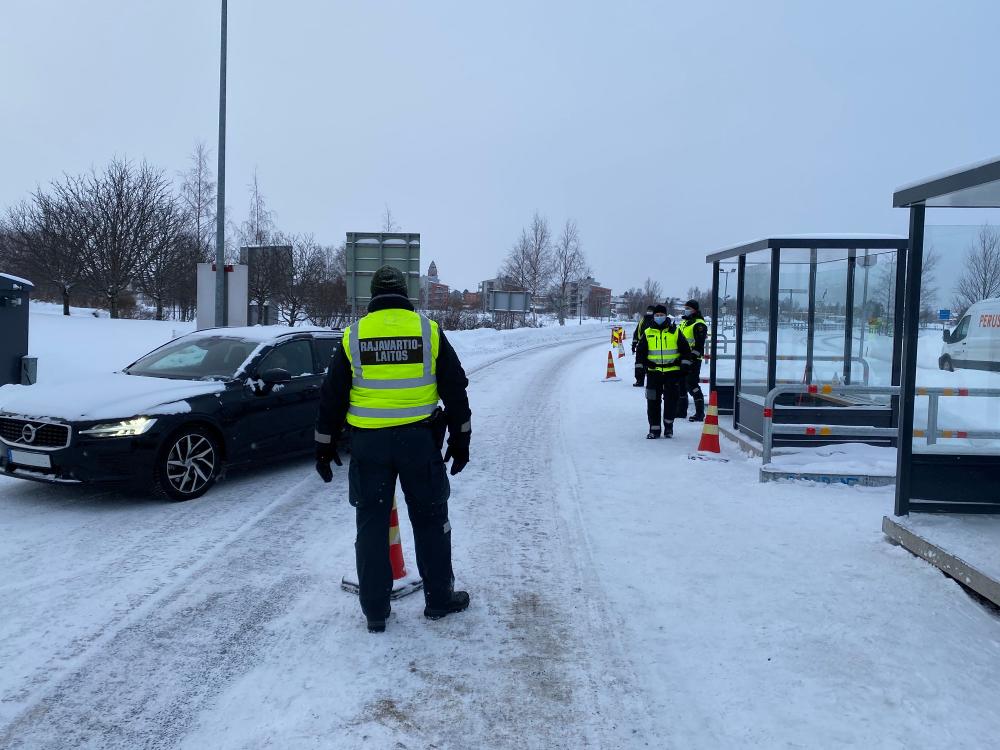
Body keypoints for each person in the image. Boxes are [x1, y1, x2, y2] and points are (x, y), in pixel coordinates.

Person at [314, 265, 473, 633]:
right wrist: (461, 440)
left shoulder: (354, 335)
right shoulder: (427, 331)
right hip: (419, 442)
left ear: (372, 295)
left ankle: (375, 611)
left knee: (371, 524)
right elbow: (455, 389)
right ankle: (438, 599)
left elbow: (332, 398)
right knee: (431, 520)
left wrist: (323, 447)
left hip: (369, 445)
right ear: (406, 294)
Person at [635, 304, 692, 438]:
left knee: (671, 402)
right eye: (657, 315)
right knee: (652, 402)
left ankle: (668, 427)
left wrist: (684, 366)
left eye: (661, 315)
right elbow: (640, 353)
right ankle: (654, 429)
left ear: (666, 316)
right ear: (653, 317)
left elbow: (686, 351)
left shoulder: (675, 332)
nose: (659, 317)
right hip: (653, 373)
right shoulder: (648, 332)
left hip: (672, 373)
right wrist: (640, 369)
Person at [677, 299, 709, 422]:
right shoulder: (685, 322)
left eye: (688, 308)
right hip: (682, 359)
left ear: (695, 309)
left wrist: (691, 358)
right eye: (686, 308)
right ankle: (681, 411)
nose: (686, 310)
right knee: (681, 384)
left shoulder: (699, 324)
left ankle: (700, 412)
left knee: (692, 384)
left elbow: (699, 345)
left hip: (693, 359)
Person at [631, 306, 655, 387]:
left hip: (652, 347)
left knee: (650, 365)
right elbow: (636, 332)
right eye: (648, 310)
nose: (649, 312)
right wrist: (634, 344)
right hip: (641, 346)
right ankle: (639, 380)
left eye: (651, 311)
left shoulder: (656, 321)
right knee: (639, 364)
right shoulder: (642, 320)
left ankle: (652, 381)